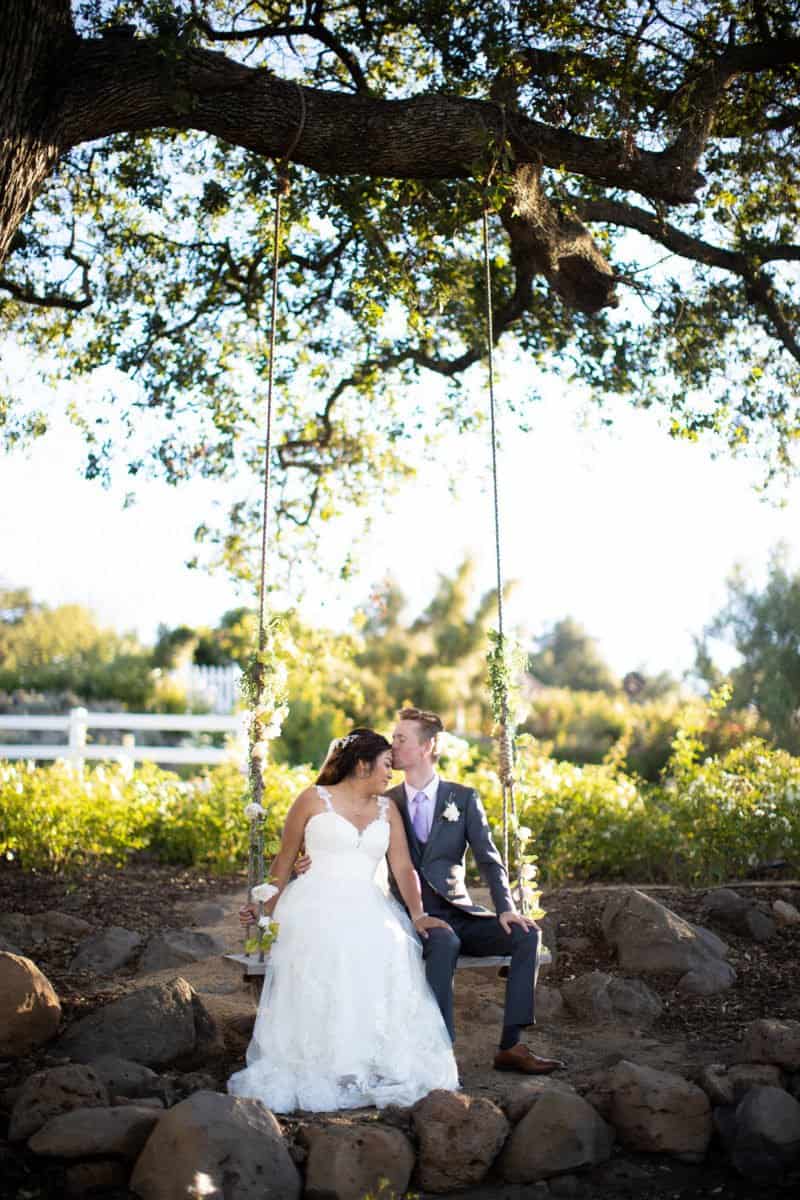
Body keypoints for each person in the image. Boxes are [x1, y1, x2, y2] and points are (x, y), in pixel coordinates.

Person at [229, 727, 459, 1113]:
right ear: (362, 764)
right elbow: (283, 863)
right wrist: (263, 909)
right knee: (332, 945)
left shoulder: (388, 809)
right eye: (386, 765)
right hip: (313, 902)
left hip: (370, 903)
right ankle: (328, 1060)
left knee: (389, 943)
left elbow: (403, 868)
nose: (392, 773)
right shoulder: (312, 800)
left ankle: (370, 1060)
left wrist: (418, 914)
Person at [388, 707, 564, 1075]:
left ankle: (511, 1045)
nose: (393, 745)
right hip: (410, 918)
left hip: (460, 912)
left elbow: (488, 858)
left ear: (427, 745)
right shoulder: (387, 802)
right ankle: (439, 1052)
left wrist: (506, 908)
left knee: (527, 935)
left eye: (401, 738)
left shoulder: (463, 799)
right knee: (444, 943)